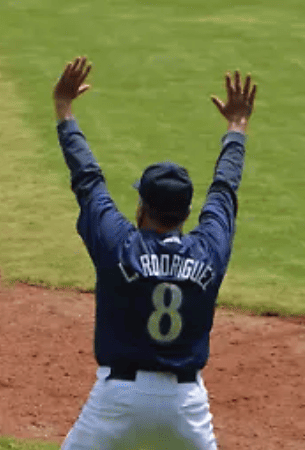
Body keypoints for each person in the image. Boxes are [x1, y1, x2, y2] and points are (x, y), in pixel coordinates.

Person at [52, 56, 256, 449]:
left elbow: (88, 179)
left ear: (142, 208)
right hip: (185, 407)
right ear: (187, 212)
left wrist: (65, 110)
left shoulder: (118, 244)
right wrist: (237, 128)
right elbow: (224, 189)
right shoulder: (209, 247)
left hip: (117, 402)